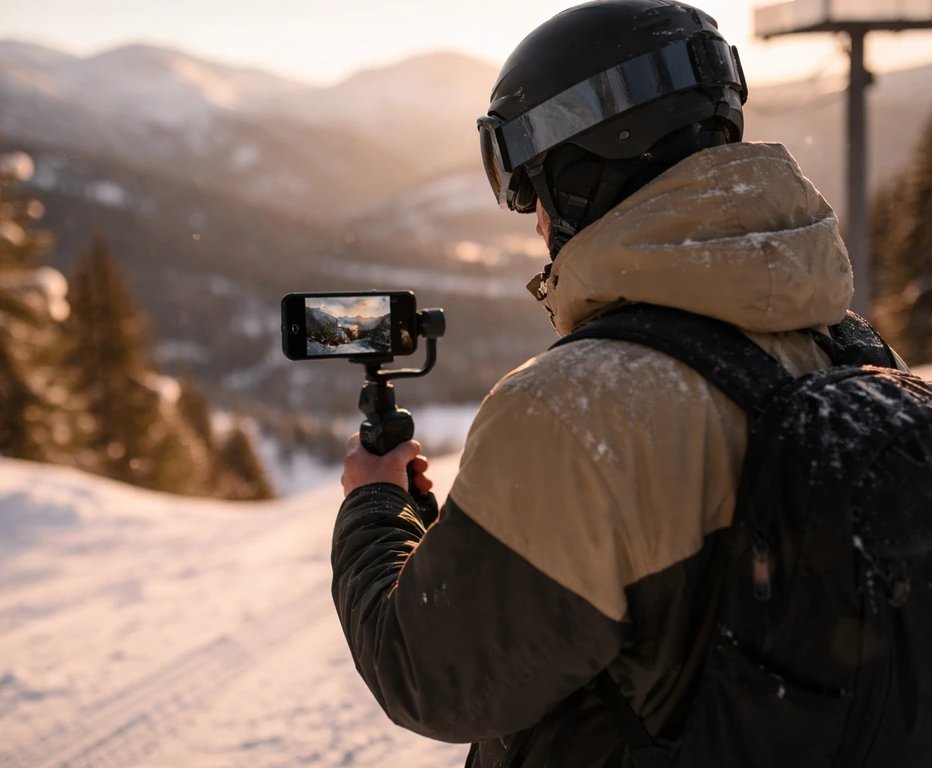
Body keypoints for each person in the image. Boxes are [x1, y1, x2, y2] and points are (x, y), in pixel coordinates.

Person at [332, 1, 897, 766]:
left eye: (529, 183)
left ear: (580, 168)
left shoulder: (574, 409)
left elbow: (429, 675)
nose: (532, 216)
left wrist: (375, 506)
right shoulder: (856, 353)